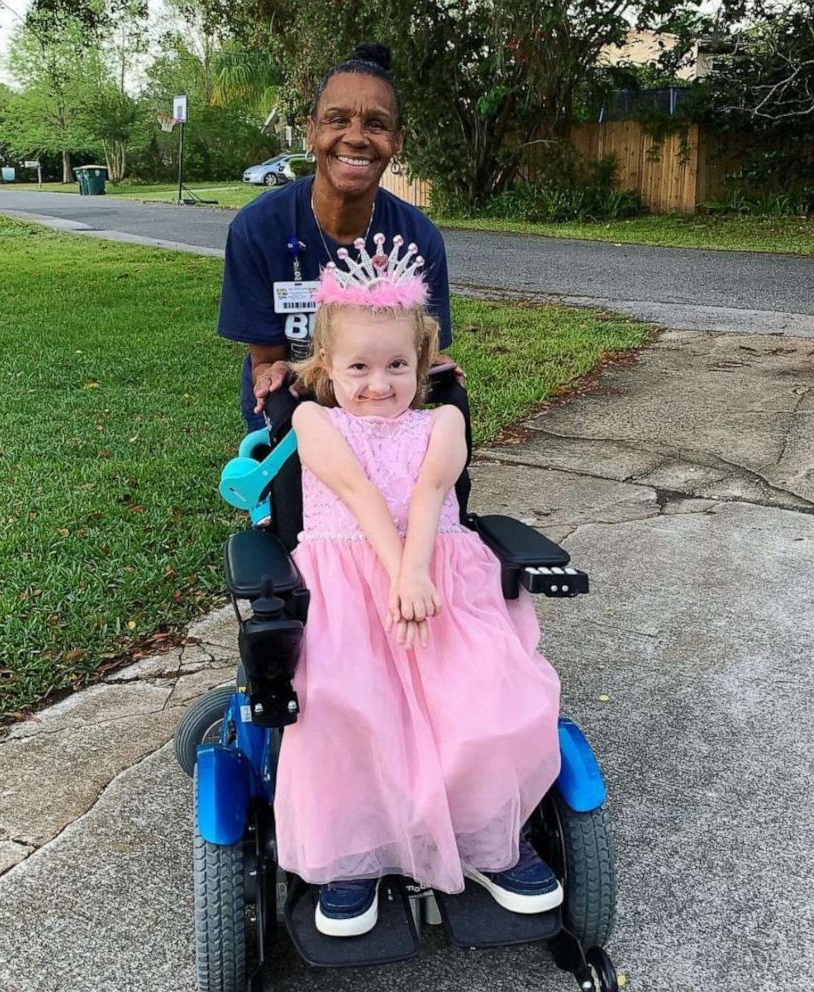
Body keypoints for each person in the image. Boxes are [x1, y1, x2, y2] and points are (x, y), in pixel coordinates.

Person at [272, 236, 562, 939]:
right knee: (344, 710)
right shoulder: (312, 419)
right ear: (327, 369)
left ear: (424, 362)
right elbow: (355, 489)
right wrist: (398, 571)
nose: (380, 383)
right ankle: (355, 855)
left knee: (488, 703)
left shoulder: (443, 420)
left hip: (441, 584)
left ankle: (488, 840)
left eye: (398, 365)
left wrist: (417, 573)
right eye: (360, 367)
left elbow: (433, 490)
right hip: (348, 591)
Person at [217, 42, 453, 432]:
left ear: (398, 141)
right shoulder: (257, 229)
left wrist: (434, 369)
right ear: (311, 132)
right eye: (337, 120)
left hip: (378, 418)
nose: (356, 137)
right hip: (289, 418)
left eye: (376, 124)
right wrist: (270, 372)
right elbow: (265, 359)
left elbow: (418, 356)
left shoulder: (418, 239)